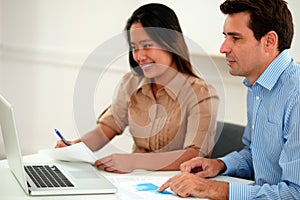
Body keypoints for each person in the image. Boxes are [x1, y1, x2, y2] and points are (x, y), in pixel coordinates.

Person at [158, 0, 300, 199]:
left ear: (269, 41)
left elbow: (295, 193)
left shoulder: (296, 95)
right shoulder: (257, 86)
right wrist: (220, 165)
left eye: (235, 38)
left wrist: (211, 189)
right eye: (226, 37)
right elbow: (256, 155)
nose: (224, 48)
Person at [56, 3, 219, 173]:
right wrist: (74, 147)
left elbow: (194, 156)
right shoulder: (131, 83)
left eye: (147, 45)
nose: (140, 56)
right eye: (134, 47)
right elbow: (105, 130)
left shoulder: (201, 93)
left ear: (171, 43)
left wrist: (134, 161)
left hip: (175, 185)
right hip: (133, 182)